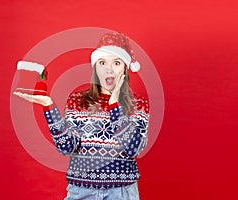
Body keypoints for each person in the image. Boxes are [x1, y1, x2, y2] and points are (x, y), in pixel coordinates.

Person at [14, 32, 150, 200]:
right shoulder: (76, 101)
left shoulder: (139, 104)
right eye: (102, 62)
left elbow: (133, 149)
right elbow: (67, 147)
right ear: (95, 67)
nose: (109, 68)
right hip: (81, 191)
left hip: (122, 193)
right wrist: (48, 105)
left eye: (116, 62)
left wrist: (114, 105)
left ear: (125, 68)